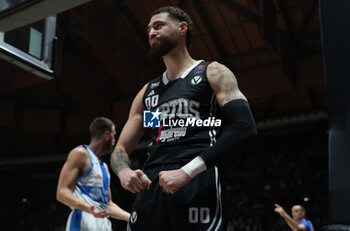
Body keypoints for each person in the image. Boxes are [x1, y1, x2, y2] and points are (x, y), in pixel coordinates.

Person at [110, 6, 257, 231]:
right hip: (152, 184)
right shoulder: (148, 92)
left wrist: (187, 172)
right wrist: (123, 172)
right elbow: (121, 147)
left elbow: (243, 127)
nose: (151, 32)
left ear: (182, 28)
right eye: (149, 29)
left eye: (158, 26)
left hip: (194, 178)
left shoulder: (212, 72)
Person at [57, 117, 130, 231]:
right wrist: (88, 208)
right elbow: (62, 192)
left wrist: (130, 217)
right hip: (83, 218)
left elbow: (108, 205)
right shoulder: (80, 154)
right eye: (114, 134)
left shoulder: (104, 167)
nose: (114, 139)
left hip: (103, 222)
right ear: (106, 135)